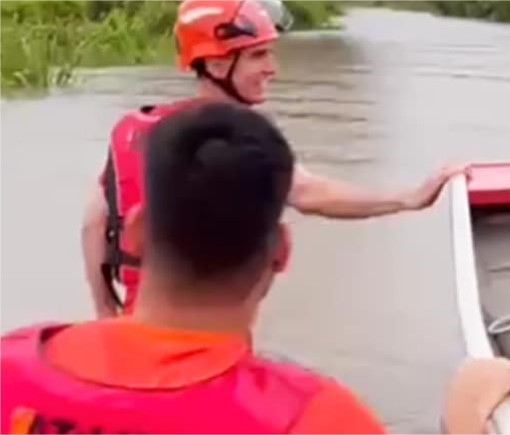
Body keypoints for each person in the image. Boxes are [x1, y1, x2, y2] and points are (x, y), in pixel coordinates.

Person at [3, 102, 510, 434]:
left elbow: (93, 223)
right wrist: (464, 416)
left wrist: (100, 305)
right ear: (282, 253)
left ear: (135, 233)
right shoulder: (315, 418)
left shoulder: (12, 367)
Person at [82, 0, 466, 318]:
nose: (272, 69)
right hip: (202, 341)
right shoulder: (241, 141)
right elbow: (311, 194)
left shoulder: (133, 129)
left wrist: (103, 313)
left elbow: (94, 224)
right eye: (258, 56)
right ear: (216, 66)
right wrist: (408, 198)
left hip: (129, 331)